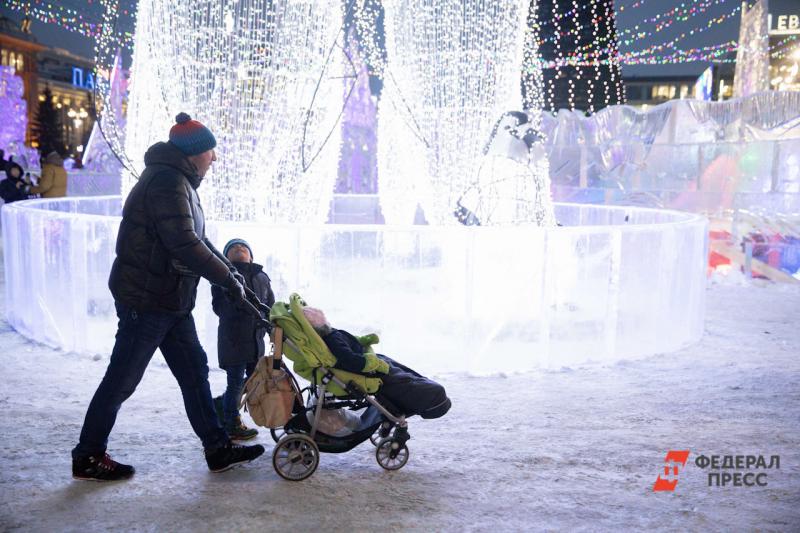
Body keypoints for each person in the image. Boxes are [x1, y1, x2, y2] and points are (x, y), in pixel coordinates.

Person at [71, 112, 264, 481]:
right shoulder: (166, 182)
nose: (215, 158)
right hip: (146, 301)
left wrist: (230, 272)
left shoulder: (179, 182)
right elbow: (184, 243)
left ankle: (217, 447)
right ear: (194, 154)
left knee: (194, 373)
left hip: (170, 300)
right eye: (211, 152)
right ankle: (88, 455)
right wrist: (227, 279)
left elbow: (196, 238)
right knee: (122, 379)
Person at [302, 307, 451, 420]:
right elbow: (350, 360)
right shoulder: (332, 339)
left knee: (406, 375)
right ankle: (433, 401)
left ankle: (428, 394)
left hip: (372, 363)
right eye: (323, 317)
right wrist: (374, 363)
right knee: (407, 381)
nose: (326, 318)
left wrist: (363, 341)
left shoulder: (331, 335)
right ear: (320, 322)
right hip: (370, 370)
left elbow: (349, 347)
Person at [211, 238, 275, 440]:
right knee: (236, 382)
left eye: (244, 247)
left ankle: (223, 404)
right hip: (234, 341)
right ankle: (231, 422)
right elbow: (219, 308)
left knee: (253, 381)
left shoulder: (262, 277)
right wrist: (237, 303)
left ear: (251, 256)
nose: (239, 248)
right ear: (226, 258)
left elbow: (270, 304)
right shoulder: (222, 277)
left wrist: (272, 322)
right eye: (232, 248)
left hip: (256, 340)